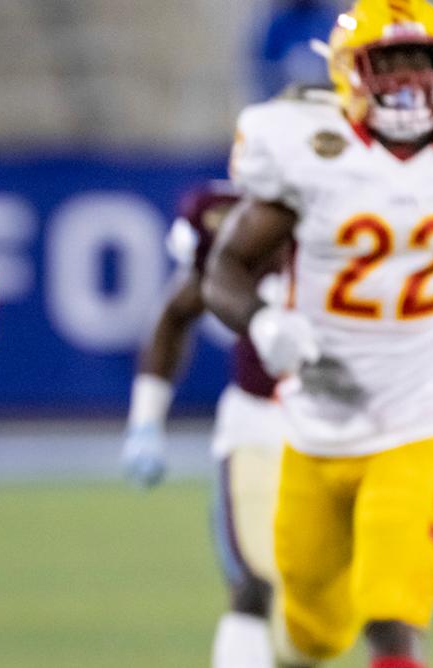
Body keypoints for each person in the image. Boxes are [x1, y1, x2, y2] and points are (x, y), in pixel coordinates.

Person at [204, 1, 433, 666]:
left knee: (392, 616)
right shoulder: (308, 149)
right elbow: (226, 268)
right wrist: (264, 322)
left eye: (421, 61)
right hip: (315, 426)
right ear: (349, 71)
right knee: (312, 634)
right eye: (389, 62)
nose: (408, 80)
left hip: (421, 422)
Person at [122, 180, 292, 668]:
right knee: (253, 580)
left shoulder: (367, 206)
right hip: (260, 424)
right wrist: (146, 422)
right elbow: (178, 311)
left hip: (353, 427)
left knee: (322, 608)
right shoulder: (233, 219)